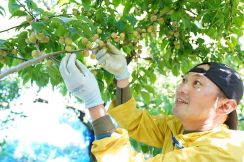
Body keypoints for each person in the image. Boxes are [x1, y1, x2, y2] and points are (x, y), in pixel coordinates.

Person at [59, 42, 244, 162]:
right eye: (184, 80)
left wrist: (93, 103)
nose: (181, 88)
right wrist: (122, 76)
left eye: (196, 83)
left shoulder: (224, 151)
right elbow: (135, 122)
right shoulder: (178, 127)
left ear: (225, 106)